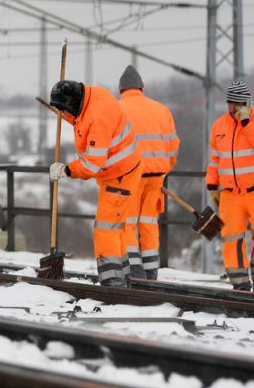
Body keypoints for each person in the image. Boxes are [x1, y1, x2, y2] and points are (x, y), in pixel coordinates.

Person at [48, 80, 144, 286]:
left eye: (64, 109)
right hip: (121, 172)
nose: (63, 114)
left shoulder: (98, 117)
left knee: (105, 228)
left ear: (72, 103)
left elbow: (92, 165)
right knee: (115, 228)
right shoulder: (92, 98)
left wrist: (66, 170)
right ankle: (123, 278)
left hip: (120, 175)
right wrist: (70, 117)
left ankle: (112, 282)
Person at [206, 80, 254, 292]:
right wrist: (212, 185)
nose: (232, 108)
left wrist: (247, 123)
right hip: (230, 194)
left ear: (246, 103)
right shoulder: (219, 126)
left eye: (237, 103)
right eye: (230, 103)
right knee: (230, 239)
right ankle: (240, 285)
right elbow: (215, 160)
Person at [117, 66, 180, 279]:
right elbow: (173, 146)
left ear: (121, 90)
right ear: (141, 88)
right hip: (156, 176)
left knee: (129, 222)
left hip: (130, 176)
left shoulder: (118, 109)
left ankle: (135, 270)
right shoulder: (162, 110)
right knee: (149, 223)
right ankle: (151, 271)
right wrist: (164, 169)